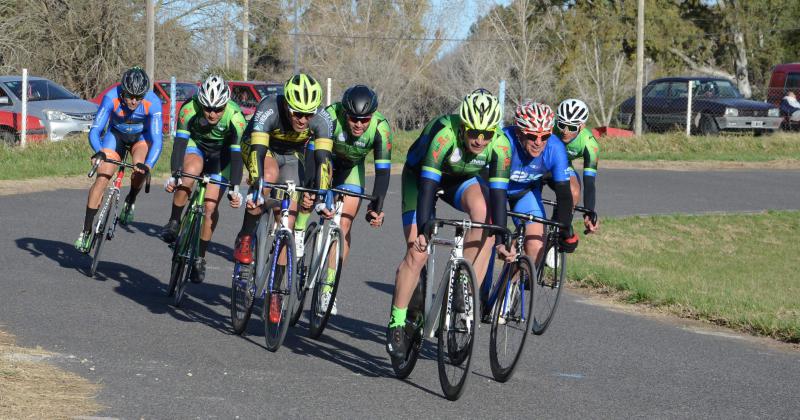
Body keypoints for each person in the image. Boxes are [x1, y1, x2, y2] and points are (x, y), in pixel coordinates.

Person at [386, 88, 515, 359]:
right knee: (417, 252)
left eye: (487, 134)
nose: (480, 140)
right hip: (422, 178)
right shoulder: (444, 135)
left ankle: (463, 287)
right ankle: (397, 322)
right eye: (473, 133)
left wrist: (502, 240)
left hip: (461, 179)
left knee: (488, 223)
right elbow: (428, 186)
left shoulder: (501, 144)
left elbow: (499, 193)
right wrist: (424, 228)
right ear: (463, 127)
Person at [233, 73, 335, 271]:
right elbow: (258, 152)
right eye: (297, 113)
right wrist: (257, 184)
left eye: (308, 114)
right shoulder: (269, 107)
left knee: (288, 219)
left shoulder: (322, 119)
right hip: (260, 147)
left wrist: (322, 196)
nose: (303, 120)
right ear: (287, 105)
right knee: (267, 177)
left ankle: (276, 291)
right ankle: (245, 236)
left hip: (291, 154)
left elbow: (323, 160)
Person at [161, 75, 244, 283]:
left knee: (210, 207)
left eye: (218, 109)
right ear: (201, 103)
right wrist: (174, 175)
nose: (212, 113)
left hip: (221, 156)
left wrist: (235, 189)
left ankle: (200, 257)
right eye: (208, 108)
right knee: (189, 174)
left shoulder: (236, 118)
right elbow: (179, 144)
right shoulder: (189, 108)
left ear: (226, 105)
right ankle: (174, 220)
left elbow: (236, 156)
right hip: (195, 147)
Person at [318, 84, 392, 315]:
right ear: (345, 114)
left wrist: (376, 207)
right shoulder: (330, 116)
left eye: (364, 120)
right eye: (354, 119)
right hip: (326, 161)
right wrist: (318, 191)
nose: (359, 125)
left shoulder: (381, 128)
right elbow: (318, 155)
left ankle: (329, 287)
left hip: (351, 168)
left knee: (345, 223)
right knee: (312, 201)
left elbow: (383, 173)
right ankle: (299, 240)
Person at [75, 67, 163, 252]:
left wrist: (148, 165)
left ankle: (131, 199)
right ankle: (86, 230)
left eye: (138, 97)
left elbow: (157, 140)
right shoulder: (111, 97)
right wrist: (99, 151)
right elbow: (96, 130)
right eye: (130, 95)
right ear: (123, 91)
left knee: (139, 169)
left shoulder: (153, 102)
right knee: (102, 178)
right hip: (115, 137)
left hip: (140, 138)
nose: (133, 101)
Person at [504, 101, 578, 265]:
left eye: (544, 136)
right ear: (519, 132)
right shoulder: (504, 141)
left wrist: (566, 231)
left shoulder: (555, 148)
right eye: (532, 136)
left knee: (537, 246)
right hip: (495, 190)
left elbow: (564, 195)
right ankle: (480, 289)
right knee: (489, 239)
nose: (538, 142)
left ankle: (514, 287)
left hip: (524, 192)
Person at [554, 98, 600, 234]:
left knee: (574, 192)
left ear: (582, 126)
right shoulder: (550, 127)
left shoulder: (590, 144)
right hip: (542, 161)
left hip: (563, 164)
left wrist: (589, 212)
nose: (565, 131)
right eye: (561, 125)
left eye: (572, 127)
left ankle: (560, 230)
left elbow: (589, 182)